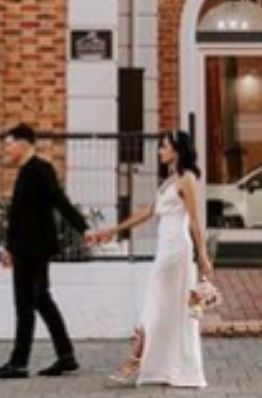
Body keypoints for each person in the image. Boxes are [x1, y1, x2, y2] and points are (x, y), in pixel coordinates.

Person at [92, 130, 212, 388]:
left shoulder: (187, 179)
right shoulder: (170, 180)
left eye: (164, 146)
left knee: (156, 305)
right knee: (164, 307)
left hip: (177, 251)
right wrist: (111, 231)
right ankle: (161, 366)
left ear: (177, 150)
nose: (159, 150)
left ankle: (133, 360)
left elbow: (195, 221)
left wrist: (202, 254)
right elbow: (148, 211)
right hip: (166, 250)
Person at [0, 123, 89, 381]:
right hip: (24, 249)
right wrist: (9, 248)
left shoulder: (41, 170)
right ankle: (66, 356)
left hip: (35, 250)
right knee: (41, 300)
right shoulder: (24, 172)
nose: (6, 149)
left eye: (9, 144)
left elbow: (60, 201)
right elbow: (17, 216)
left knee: (25, 305)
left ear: (23, 143)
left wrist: (83, 229)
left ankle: (19, 363)